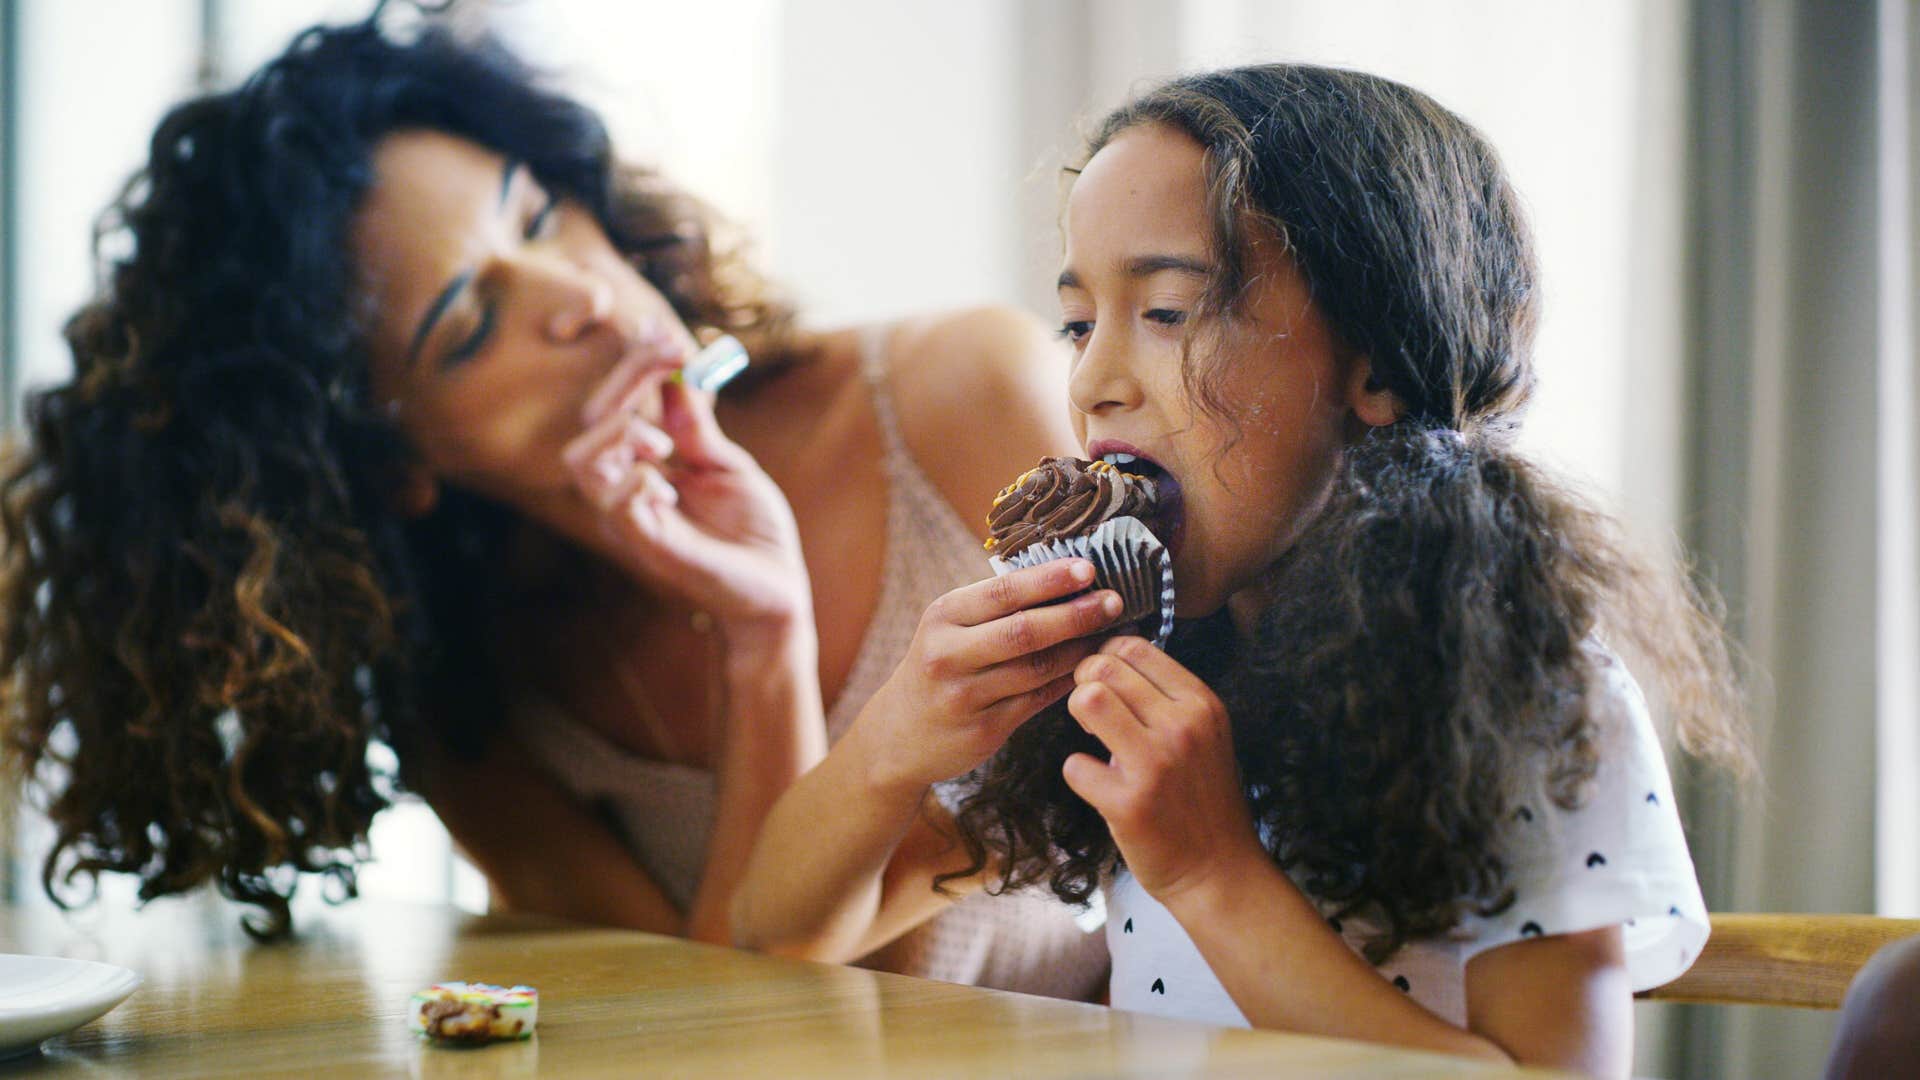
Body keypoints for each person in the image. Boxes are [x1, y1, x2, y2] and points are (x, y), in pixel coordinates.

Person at [0, 9, 1111, 1000]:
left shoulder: (963, 393)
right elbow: (719, 1029)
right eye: (471, 326)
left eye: (535, 220)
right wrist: (759, 633)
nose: (578, 294)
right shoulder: (467, 698)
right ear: (397, 465)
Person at [733, 64, 1754, 1074]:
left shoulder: (1513, 694)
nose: (1090, 380)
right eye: (1080, 322)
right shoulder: (1137, 655)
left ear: (1375, 366)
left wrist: (1215, 874)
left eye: (1169, 313)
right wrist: (892, 742)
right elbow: (781, 934)